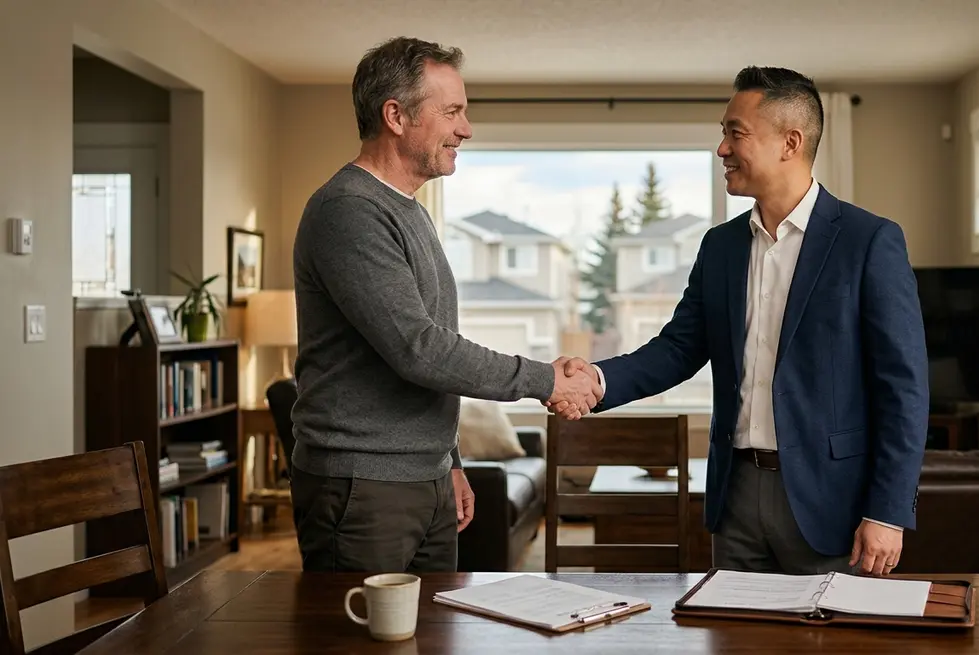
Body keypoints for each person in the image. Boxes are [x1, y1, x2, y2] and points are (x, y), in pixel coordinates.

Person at [552, 66, 928, 577]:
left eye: (735, 132)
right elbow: (678, 349)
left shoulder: (870, 241)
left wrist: (887, 511)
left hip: (831, 502)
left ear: (789, 143)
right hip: (735, 495)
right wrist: (595, 381)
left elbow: (903, 388)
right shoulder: (720, 246)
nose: (721, 149)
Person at [289, 36, 600, 574]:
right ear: (396, 116)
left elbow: (427, 350)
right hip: (364, 484)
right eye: (452, 111)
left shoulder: (408, 211)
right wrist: (545, 380)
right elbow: (421, 349)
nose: (466, 128)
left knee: (433, 639)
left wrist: (447, 461)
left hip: (421, 478)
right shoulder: (349, 211)